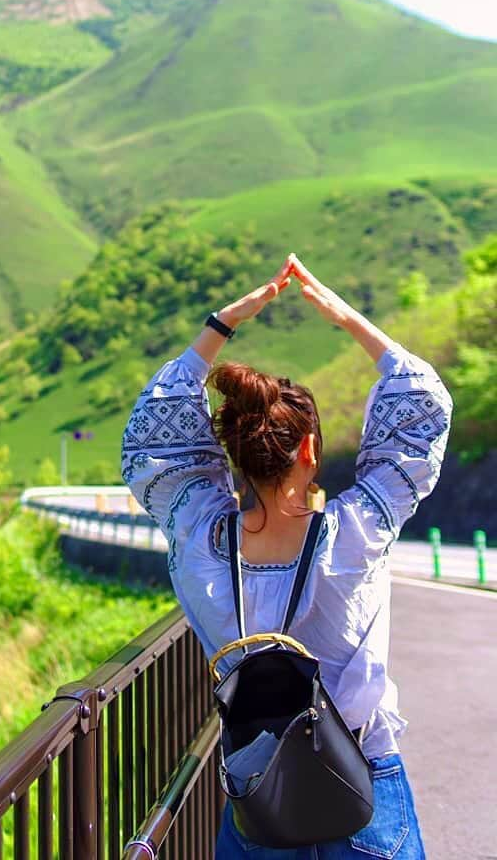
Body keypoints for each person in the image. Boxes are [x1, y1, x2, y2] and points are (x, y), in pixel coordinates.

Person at [120, 254, 453, 859]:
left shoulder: (201, 545)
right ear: (308, 447)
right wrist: (346, 317)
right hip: (362, 790)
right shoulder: (357, 532)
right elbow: (423, 407)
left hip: (260, 802)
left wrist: (217, 326)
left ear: (235, 456)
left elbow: (154, 442)